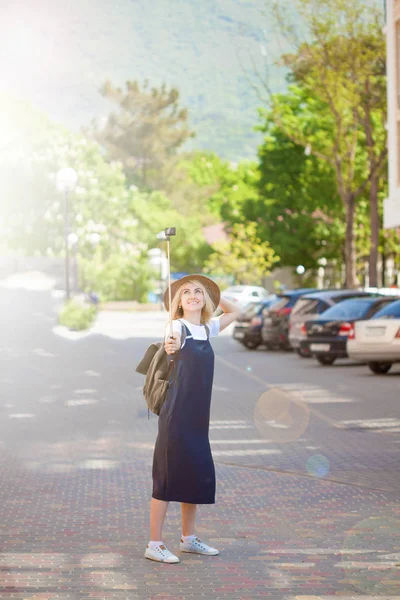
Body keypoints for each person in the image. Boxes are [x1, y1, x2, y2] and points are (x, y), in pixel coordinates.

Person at [145, 275, 241, 563]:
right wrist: (171, 345)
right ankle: (154, 544)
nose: (192, 295)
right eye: (185, 292)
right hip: (176, 415)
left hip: (199, 418)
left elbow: (236, 311)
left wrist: (211, 287)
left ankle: (188, 539)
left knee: (194, 475)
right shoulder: (177, 326)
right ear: (179, 302)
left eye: (197, 292)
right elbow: (170, 342)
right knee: (166, 477)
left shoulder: (208, 328)